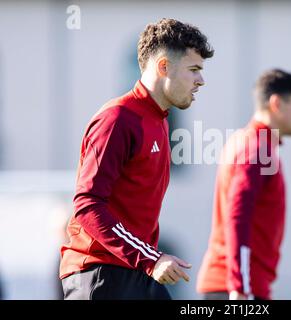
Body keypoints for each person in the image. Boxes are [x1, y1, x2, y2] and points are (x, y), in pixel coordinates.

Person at [59, 18, 214, 300]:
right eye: (194, 70)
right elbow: (87, 204)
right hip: (101, 274)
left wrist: (148, 260)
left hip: (135, 271)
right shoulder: (118, 119)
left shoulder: (159, 121)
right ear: (164, 66)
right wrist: (149, 259)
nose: (201, 80)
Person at [197, 69, 291, 300]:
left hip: (236, 286)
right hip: (236, 290)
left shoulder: (253, 143)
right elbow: (238, 216)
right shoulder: (257, 149)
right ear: (276, 103)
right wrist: (240, 287)